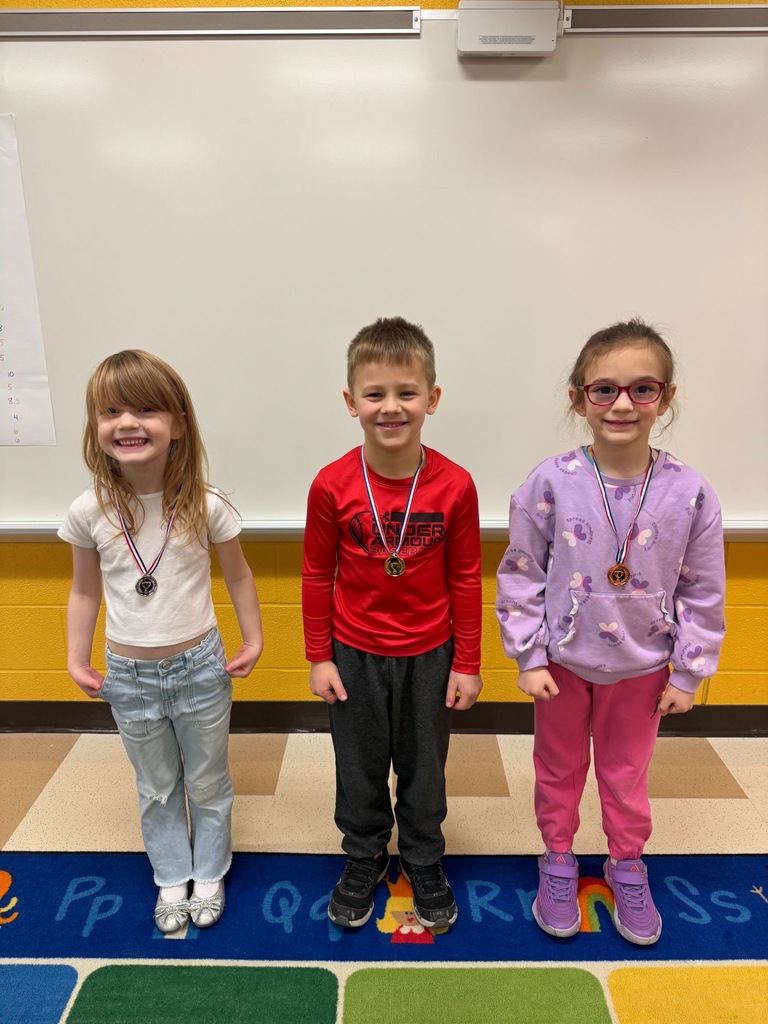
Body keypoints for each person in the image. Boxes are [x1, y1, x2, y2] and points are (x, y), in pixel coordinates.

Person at [496, 318, 725, 946]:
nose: (622, 403)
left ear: (665, 399)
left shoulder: (691, 492)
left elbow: (704, 588)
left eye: (642, 389)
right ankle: (559, 859)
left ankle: (626, 863)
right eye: (604, 389)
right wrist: (528, 656)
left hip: (644, 668)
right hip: (565, 665)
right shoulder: (548, 483)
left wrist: (689, 669)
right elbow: (521, 574)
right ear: (579, 399)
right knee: (558, 768)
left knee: (626, 775)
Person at [59, 350, 263, 934]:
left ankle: (210, 871)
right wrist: (76, 656)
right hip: (128, 672)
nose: (128, 423)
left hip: (199, 666)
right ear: (95, 428)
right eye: (112, 410)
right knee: (156, 785)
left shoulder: (205, 503)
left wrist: (253, 638)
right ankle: (171, 874)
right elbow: (84, 592)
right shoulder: (88, 510)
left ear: (177, 422)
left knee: (206, 779)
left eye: (146, 409)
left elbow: (239, 575)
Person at [302, 316, 482, 931]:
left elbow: (464, 579)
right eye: (375, 394)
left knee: (424, 764)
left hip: (432, 652)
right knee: (358, 763)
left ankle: (424, 857)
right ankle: (364, 855)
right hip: (353, 652)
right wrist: (318, 655)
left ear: (432, 399)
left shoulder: (455, 484)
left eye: (406, 393)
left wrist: (469, 662)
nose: (391, 407)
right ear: (351, 402)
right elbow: (314, 575)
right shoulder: (331, 484)